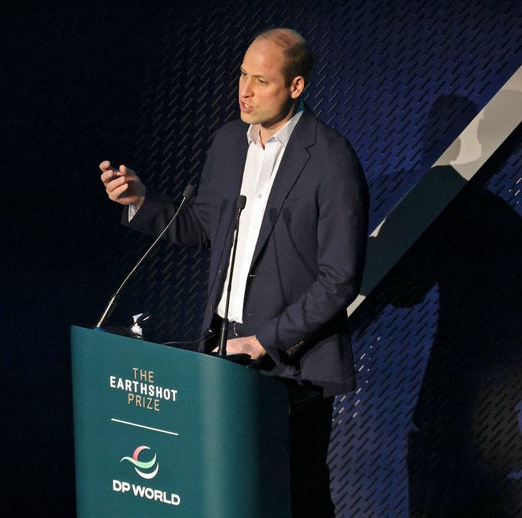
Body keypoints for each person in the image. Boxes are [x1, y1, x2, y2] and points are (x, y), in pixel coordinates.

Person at [100, 27, 368, 517]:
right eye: (242, 75)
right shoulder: (228, 142)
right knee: (229, 490)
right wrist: (142, 202)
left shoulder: (331, 160)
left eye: (261, 81)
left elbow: (340, 279)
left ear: (296, 87)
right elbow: (204, 225)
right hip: (222, 346)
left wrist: (264, 339)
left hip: (293, 362)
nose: (243, 90)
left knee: (296, 491)